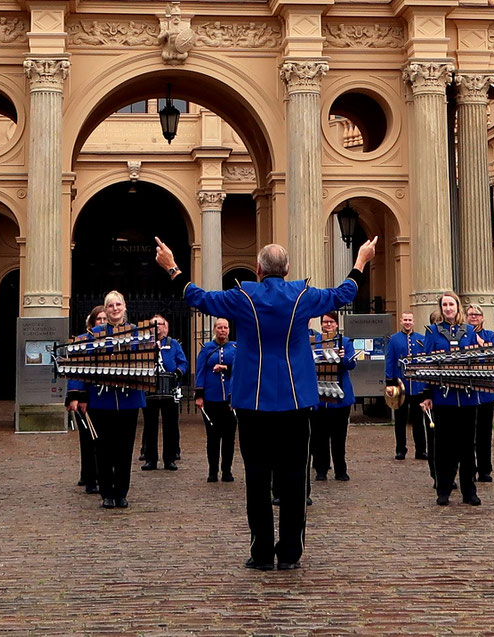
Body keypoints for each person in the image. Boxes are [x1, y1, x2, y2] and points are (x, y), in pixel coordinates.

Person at [159, 233, 376, 571]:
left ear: (258, 269)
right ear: (287, 269)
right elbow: (344, 293)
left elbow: (198, 298)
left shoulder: (242, 295)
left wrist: (173, 267)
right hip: (295, 397)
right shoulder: (303, 295)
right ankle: (290, 552)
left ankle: (261, 552)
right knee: (293, 478)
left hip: (252, 399)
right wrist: (361, 260)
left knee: (257, 479)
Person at [83, 291, 146, 509]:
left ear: (125, 307)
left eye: (118, 304)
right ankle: (106, 493)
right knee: (103, 449)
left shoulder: (138, 333)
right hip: (102, 399)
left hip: (128, 400)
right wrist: (77, 395)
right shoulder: (94, 334)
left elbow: (146, 360)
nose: (115, 309)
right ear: (105, 309)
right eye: (110, 305)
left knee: (124, 449)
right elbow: (81, 365)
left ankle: (121, 492)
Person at [422, 292, 480, 507]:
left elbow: (477, 358)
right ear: (441, 308)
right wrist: (427, 395)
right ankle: (443, 489)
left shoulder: (470, 332)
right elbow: (427, 364)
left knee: (467, 446)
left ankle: (469, 491)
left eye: (451, 304)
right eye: (444, 305)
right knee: (443, 446)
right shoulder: (433, 332)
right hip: (443, 397)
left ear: (458, 307)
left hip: (466, 397)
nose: (448, 308)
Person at [310, 313, 354, 482]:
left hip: (340, 395)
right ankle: (321, 470)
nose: (328, 325)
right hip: (320, 395)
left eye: (331, 322)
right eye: (325, 322)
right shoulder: (314, 341)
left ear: (336, 324)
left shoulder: (345, 342)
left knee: (339, 436)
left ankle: (340, 470)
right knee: (319, 436)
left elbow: (351, 364)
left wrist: (342, 358)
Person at [139, 313, 187, 472]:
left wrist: (178, 373)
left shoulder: (173, 344)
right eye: (154, 324)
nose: (157, 327)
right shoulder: (144, 343)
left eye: (160, 324)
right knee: (150, 426)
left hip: (169, 389)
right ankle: (150, 459)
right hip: (151, 388)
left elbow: (183, 362)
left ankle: (170, 459)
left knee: (171, 425)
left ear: (165, 327)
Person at [382, 310, 430, 463]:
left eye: (410, 319)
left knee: (418, 421)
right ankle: (400, 449)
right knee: (400, 420)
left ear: (413, 321)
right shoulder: (394, 340)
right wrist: (390, 382)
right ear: (401, 321)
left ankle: (421, 450)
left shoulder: (421, 339)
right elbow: (390, 360)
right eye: (405, 320)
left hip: (417, 385)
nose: (408, 322)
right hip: (400, 385)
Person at [196, 317, 237, 482]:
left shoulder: (235, 348)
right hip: (211, 398)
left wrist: (226, 368)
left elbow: (241, 370)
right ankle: (212, 471)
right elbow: (200, 371)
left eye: (225, 328)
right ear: (214, 329)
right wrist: (199, 395)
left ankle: (226, 471)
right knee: (213, 437)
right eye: (220, 327)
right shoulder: (206, 348)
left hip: (229, 398)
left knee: (229, 437)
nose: (223, 330)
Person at [70, 304, 105, 494]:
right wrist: (76, 396)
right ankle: (90, 477)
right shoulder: (82, 341)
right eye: (98, 319)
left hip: (105, 397)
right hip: (86, 398)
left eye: (104, 319)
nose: (102, 323)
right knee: (88, 440)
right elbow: (76, 371)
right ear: (92, 322)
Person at [466, 304, 494, 483]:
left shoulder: (490, 335)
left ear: (482, 317)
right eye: (470, 314)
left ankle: (485, 469)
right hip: (469, 391)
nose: (474, 317)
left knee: (485, 433)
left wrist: (482, 347)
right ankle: (469, 468)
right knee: (469, 433)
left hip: (486, 390)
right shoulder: (463, 334)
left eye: (477, 314)